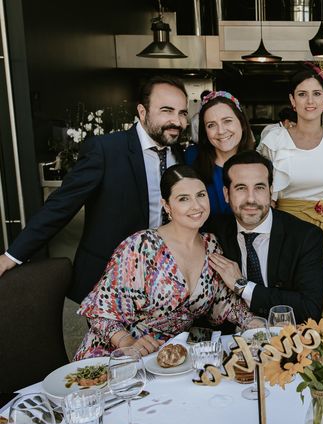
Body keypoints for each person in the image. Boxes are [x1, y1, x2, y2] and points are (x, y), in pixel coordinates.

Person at [0, 76, 189, 303]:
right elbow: (61, 206)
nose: (176, 121)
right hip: (109, 278)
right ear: (142, 111)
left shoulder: (180, 154)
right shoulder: (105, 150)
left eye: (182, 113)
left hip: (162, 277)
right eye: (167, 111)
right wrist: (13, 255)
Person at [74, 165, 247, 360]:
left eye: (201, 195)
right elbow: (100, 311)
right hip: (113, 356)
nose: (196, 206)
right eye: (183, 199)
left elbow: (223, 302)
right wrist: (127, 342)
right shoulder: (142, 246)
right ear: (166, 206)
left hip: (167, 358)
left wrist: (251, 322)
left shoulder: (211, 244)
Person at [257, 63, 323, 318]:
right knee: (291, 300)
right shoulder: (275, 140)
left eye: (316, 94)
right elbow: (262, 192)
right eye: (302, 94)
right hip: (287, 229)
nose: (309, 101)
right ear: (292, 100)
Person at [206, 150, 323, 323]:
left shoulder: (306, 237)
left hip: (289, 339)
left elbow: (309, 309)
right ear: (226, 194)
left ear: (270, 191)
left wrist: (242, 286)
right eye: (241, 188)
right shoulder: (214, 232)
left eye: (259, 188)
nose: (250, 199)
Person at [186, 91, 254, 217]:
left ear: (242, 123)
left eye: (227, 121)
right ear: (204, 131)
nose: (221, 131)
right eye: (211, 125)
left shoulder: (259, 166)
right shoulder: (191, 158)